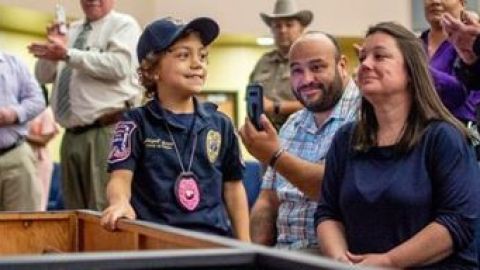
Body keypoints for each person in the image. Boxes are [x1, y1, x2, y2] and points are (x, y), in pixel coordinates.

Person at [315, 22, 480, 268]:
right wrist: (341, 261)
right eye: (362, 58)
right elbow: (327, 213)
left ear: (411, 72)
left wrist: (388, 262)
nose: (366, 65)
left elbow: (457, 222)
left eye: (380, 56)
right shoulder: (345, 139)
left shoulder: (444, 138)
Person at [100, 17, 250, 241]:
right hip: (159, 243)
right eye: (183, 55)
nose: (197, 63)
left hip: (214, 243)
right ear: (151, 70)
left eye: (202, 55)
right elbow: (120, 178)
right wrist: (119, 202)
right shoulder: (134, 122)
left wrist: (245, 244)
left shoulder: (221, 124)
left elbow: (234, 188)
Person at [239, 31, 360, 250]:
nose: (306, 80)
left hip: (330, 254)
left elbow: (330, 189)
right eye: (297, 70)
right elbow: (268, 202)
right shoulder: (293, 123)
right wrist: (255, 253)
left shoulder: (366, 114)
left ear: (342, 65)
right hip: (283, 253)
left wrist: (274, 156)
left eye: (317, 67)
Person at [28, 0, 143, 211]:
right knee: (73, 212)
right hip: (71, 135)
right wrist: (52, 49)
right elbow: (43, 76)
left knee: (103, 210)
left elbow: (119, 66)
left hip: (106, 131)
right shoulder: (71, 30)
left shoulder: (123, 25)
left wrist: (67, 54)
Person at [249, 0, 313, 130]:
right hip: (263, 135)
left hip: (300, 134)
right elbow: (250, 97)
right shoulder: (264, 61)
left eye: (289, 25)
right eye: (277, 26)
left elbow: (317, 102)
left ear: (301, 29)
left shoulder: (311, 60)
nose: (283, 30)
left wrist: (275, 107)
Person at [421, 0, 479, 127]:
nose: (435, 1)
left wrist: (416, 70)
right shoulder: (415, 45)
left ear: (462, 2)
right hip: (419, 134)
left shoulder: (472, 44)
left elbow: (460, 92)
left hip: (461, 132)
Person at [0, 50, 45, 211]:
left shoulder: (14, 63)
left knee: (24, 228)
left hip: (15, 156)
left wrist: (12, 114)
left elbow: (38, 100)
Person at [26, 85, 60, 211]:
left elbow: (44, 140)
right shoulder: (26, 113)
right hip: (26, 158)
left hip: (40, 160)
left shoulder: (46, 112)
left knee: (39, 201)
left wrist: (20, 135)